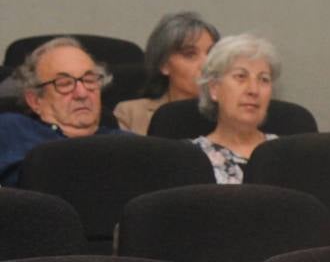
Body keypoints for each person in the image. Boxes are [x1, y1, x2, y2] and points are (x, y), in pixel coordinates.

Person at [0, 37, 129, 185]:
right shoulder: (11, 130)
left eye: (89, 80)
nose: (82, 94)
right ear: (35, 100)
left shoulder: (127, 144)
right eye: (65, 84)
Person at [191, 33, 282, 184]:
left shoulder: (287, 153)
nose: (253, 90)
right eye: (241, 76)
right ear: (214, 88)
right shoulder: (192, 157)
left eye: (263, 79)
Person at [112, 11, 219, 134]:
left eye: (212, 53)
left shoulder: (230, 114)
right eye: (190, 55)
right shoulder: (131, 113)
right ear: (164, 64)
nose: (206, 64)